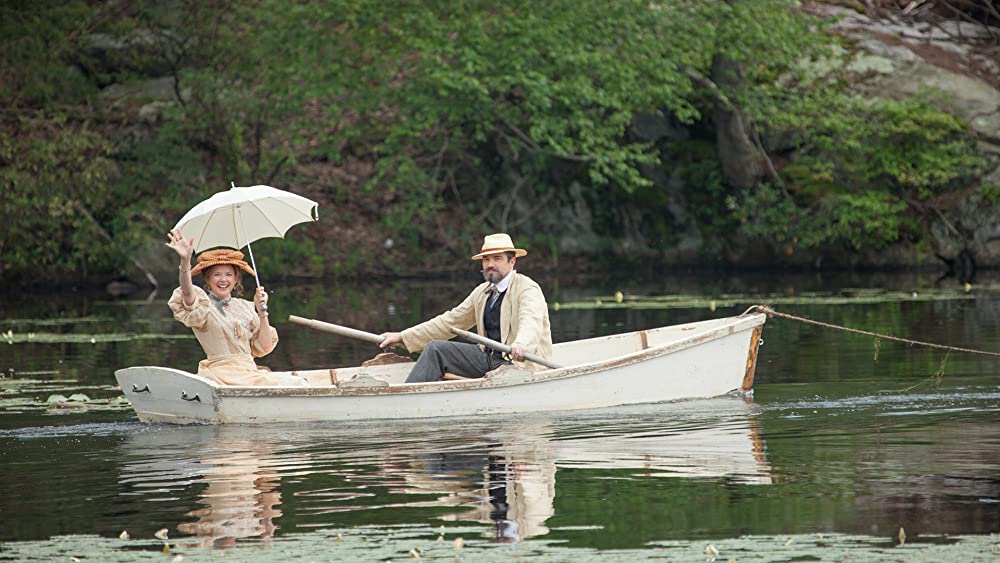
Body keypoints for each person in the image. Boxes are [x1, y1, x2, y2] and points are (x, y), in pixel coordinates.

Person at [379, 233, 553, 383]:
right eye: (486, 259)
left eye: (497, 258)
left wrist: (521, 343)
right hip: (488, 358)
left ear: (512, 261)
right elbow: (450, 321)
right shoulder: (482, 292)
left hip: (517, 363)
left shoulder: (527, 288)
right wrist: (403, 337)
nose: (490, 264)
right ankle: (408, 397)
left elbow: (531, 321)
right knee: (435, 349)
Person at [165, 228, 308, 386]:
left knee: (298, 381)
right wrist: (185, 261)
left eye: (228, 274)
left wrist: (262, 312)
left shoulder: (245, 307)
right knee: (293, 383)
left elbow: (265, 346)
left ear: (235, 279)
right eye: (217, 274)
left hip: (249, 371)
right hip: (221, 373)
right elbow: (187, 291)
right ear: (208, 279)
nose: (223, 279)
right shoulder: (202, 306)